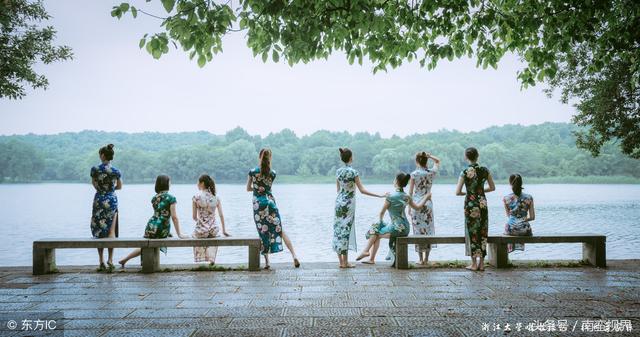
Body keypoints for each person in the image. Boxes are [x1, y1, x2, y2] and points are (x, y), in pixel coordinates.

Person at [356, 172, 430, 267]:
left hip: (396, 228)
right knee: (376, 230)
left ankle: (367, 252)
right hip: (405, 228)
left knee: (375, 231)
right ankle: (370, 257)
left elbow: (381, 213)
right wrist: (426, 197)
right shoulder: (407, 197)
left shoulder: (390, 197)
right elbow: (418, 207)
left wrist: (381, 221)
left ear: (396, 181)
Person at [246, 148, 300, 270]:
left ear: (260, 156)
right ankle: (294, 256)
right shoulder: (273, 173)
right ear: (270, 158)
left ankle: (267, 263)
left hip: (258, 204)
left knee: (263, 232)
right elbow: (268, 187)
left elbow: (248, 188)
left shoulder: (253, 172)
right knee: (280, 230)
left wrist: (257, 189)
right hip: (270, 203)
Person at [333, 148, 387, 268]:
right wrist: (380, 195)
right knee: (346, 230)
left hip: (338, 203)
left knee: (338, 230)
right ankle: (345, 262)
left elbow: (338, 190)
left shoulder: (338, 172)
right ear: (351, 158)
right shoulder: (353, 172)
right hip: (349, 205)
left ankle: (341, 262)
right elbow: (362, 190)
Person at [118, 175, 188, 268]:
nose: (171, 183)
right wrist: (180, 234)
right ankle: (147, 265)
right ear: (166, 183)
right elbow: (174, 217)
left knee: (147, 245)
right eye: (169, 181)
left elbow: (159, 214)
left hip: (150, 226)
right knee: (153, 244)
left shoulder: (154, 198)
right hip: (161, 227)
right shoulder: (171, 198)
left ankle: (125, 259)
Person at [455, 147, 495, 271]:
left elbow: (458, 192)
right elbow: (492, 188)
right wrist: (481, 192)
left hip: (471, 204)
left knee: (472, 232)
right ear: (478, 156)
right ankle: (482, 263)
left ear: (466, 157)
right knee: (483, 231)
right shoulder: (485, 170)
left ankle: (473, 263)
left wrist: (468, 193)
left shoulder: (465, 172)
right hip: (482, 203)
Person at [90, 144, 122, 272]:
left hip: (99, 200)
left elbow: (94, 184)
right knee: (111, 231)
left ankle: (101, 261)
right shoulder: (116, 171)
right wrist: (110, 189)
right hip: (111, 200)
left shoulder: (95, 169)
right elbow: (119, 187)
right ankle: (110, 260)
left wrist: (101, 190)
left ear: (103, 155)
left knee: (99, 231)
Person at [408, 151, 441, 265]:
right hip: (428, 204)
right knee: (428, 230)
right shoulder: (431, 173)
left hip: (416, 205)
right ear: (426, 160)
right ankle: (426, 259)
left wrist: (408, 207)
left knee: (417, 231)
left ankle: (420, 259)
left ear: (417, 161)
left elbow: (410, 193)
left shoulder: (414, 174)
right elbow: (437, 161)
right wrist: (430, 156)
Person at [192, 174, 229, 264]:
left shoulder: (196, 198)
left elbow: (194, 217)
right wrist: (224, 231)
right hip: (213, 230)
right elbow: (221, 216)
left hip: (201, 230)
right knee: (212, 236)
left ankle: (201, 259)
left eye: (198, 182)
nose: (197, 184)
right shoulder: (216, 198)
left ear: (202, 183)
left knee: (194, 235)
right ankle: (211, 259)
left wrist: (201, 222)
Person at [503, 174, 535, 253]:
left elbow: (509, 216)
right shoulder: (529, 197)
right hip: (525, 229)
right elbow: (532, 217)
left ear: (510, 184)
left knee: (509, 225)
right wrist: (523, 219)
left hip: (511, 229)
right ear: (521, 183)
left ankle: (510, 250)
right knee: (522, 227)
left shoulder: (506, 198)